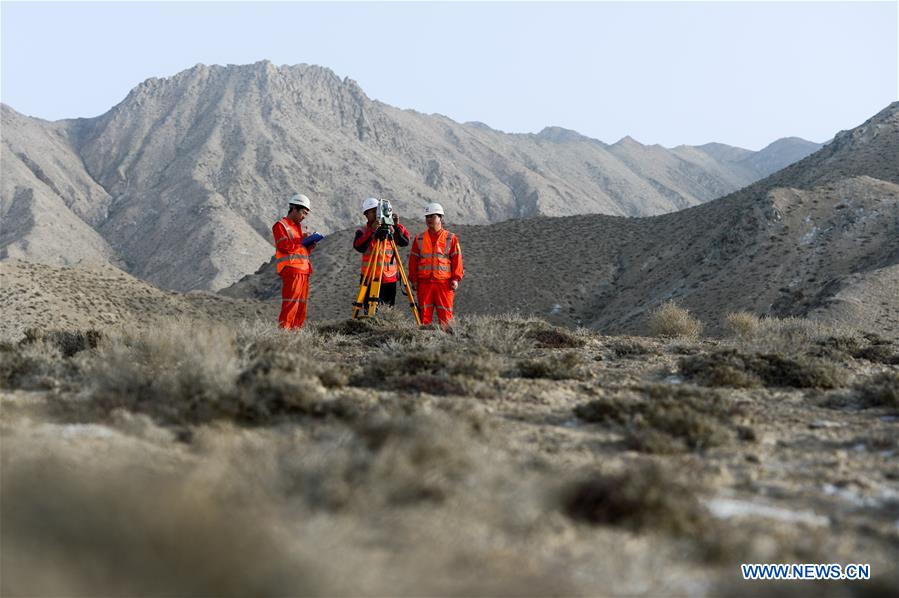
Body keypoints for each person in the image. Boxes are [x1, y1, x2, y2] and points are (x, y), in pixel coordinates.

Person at [408, 202, 464, 329]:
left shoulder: (451, 238)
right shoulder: (419, 239)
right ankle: (422, 344)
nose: (428, 220)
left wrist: (455, 278)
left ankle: (446, 345)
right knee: (423, 318)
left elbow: (457, 260)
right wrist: (414, 280)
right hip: (424, 283)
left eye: (432, 216)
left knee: (446, 318)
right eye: (427, 217)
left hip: (444, 284)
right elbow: (413, 261)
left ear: (440, 218)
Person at [353, 197, 410, 307]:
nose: (376, 214)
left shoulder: (392, 228)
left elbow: (404, 242)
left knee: (388, 312)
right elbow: (359, 247)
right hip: (369, 278)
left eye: (377, 210)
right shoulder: (363, 231)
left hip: (389, 278)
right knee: (369, 312)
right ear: (366, 215)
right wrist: (372, 231)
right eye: (373, 211)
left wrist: (396, 226)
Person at [272, 193, 317, 329]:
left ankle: (296, 335)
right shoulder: (280, 225)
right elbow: (284, 246)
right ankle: (283, 337)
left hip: (304, 271)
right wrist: (302, 241)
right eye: (303, 213)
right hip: (292, 271)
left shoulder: (299, 228)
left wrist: (309, 246)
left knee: (301, 306)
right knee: (290, 304)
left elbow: (300, 251)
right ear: (294, 208)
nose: (304, 217)